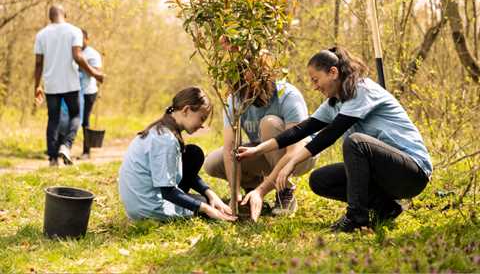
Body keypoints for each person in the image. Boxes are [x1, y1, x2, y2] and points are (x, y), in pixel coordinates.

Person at [238, 47, 432, 232]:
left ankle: (356, 218)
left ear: (332, 72)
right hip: (384, 172)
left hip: (411, 172)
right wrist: (258, 149)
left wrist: (291, 163)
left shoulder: (361, 90)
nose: (314, 87)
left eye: (316, 80)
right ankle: (386, 208)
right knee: (320, 180)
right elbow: (302, 129)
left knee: (356, 142)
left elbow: (329, 135)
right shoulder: (335, 102)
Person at [204, 71, 315, 216]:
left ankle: (284, 190)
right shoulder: (235, 99)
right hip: (264, 151)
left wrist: (261, 191)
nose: (248, 92)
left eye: (253, 85)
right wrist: (235, 193)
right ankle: (249, 191)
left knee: (269, 123)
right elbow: (230, 149)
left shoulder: (287, 94)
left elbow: (294, 150)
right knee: (212, 163)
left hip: (300, 156)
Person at [118, 87, 236, 222]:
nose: (202, 125)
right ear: (186, 110)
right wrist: (206, 208)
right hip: (148, 208)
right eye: (201, 118)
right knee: (206, 205)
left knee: (193, 153)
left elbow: (183, 173)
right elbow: (168, 192)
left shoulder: (162, 129)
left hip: (139, 204)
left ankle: (206, 201)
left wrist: (210, 193)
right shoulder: (166, 140)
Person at [34, 5, 104, 166]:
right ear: (65, 14)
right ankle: (66, 146)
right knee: (76, 115)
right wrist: (95, 74)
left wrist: (37, 87)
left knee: (53, 119)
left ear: (49, 17)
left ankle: (52, 159)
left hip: (51, 85)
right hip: (70, 84)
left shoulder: (41, 34)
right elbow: (78, 56)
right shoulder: (74, 31)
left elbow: (38, 64)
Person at [78, 28, 102, 159]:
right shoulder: (73, 51)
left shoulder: (93, 54)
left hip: (88, 91)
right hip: (74, 90)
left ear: (87, 39)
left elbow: (98, 73)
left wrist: (84, 65)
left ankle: (86, 151)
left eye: (81, 38)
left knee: (85, 121)